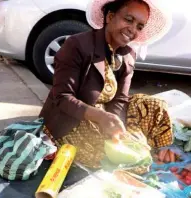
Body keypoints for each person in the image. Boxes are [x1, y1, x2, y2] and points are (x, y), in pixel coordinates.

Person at [40, 0, 173, 169]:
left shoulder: (128, 56)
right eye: (128, 20)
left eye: (140, 26)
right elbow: (62, 97)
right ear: (110, 17)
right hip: (72, 118)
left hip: (103, 115)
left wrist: (115, 129)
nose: (132, 29)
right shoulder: (77, 45)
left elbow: (120, 99)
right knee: (112, 158)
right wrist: (101, 118)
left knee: (155, 105)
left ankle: (162, 150)